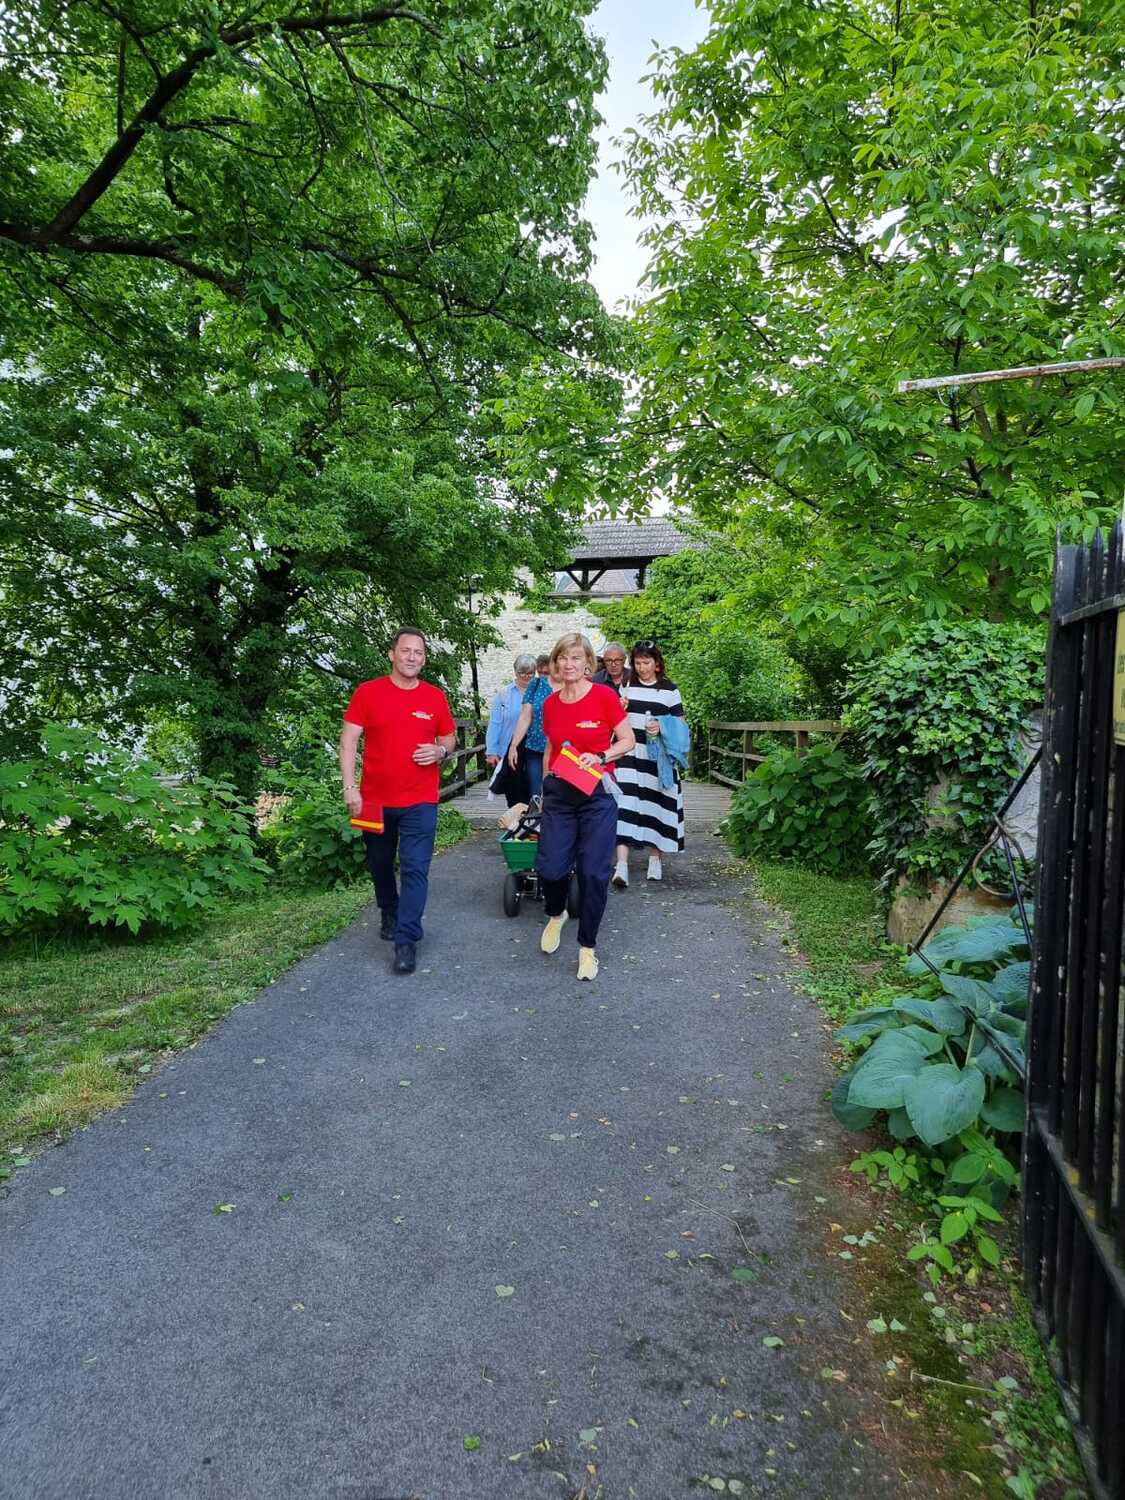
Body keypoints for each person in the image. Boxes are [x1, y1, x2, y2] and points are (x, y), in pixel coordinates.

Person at [339, 628, 456, 975]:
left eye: (418, 652)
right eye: (406, 651)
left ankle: (406, 940)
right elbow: (348, 741)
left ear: (424, 659)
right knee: (379, 862)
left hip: (420, 799)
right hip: (373, 800)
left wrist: (440, 751)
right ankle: (388, 909)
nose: (411, 657)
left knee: (415, 867)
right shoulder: (367, 692)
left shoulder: (434, 697)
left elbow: (449, 738)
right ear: (392, 654)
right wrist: (349, 787)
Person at [535, 632, 635, 981]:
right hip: (560, 794)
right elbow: (551, 747)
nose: (569, 664)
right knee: (550, 869)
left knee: (594, 873)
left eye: (576, 658)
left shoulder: (604, 696)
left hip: (596, 794)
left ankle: (587, 948)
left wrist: (603, 755)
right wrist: (545, 787)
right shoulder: (550, 704)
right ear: (555, 663)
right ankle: (556, 913)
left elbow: (629, 740)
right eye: (563, 657)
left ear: (588, 663)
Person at [612, 639, 688, 887]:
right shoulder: (627, 686)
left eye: (646, 662)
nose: (642, 667)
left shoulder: (669, 690)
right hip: (630, 755)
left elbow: (681, 725)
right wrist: (619, 708)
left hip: (658, 757)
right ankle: (621, 865)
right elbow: (614, 721)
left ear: (657, 664)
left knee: (658, 805)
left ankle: (655, 859)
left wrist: (662, 726)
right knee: (625, 805)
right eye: (637, 663)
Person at [485, 654, 536, 806]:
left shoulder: (540, 692)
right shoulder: (504, 694)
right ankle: (515, 818)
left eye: (530, 673)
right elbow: (495, 723)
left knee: (533, 791)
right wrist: (491, 751)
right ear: (515, 672)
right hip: (509, 751)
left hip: (533, 750)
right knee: (513, 793)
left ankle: (533, 820)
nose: (526, 676)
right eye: (522, 673)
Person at [506, 652, 555, 801]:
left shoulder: (568, 685)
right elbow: (525, 716)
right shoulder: (535, 684)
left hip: (559, 749)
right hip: (535, 747)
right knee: (535, 795)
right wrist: (514, 745)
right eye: (541, 672)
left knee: (555, 795)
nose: (544, 675)